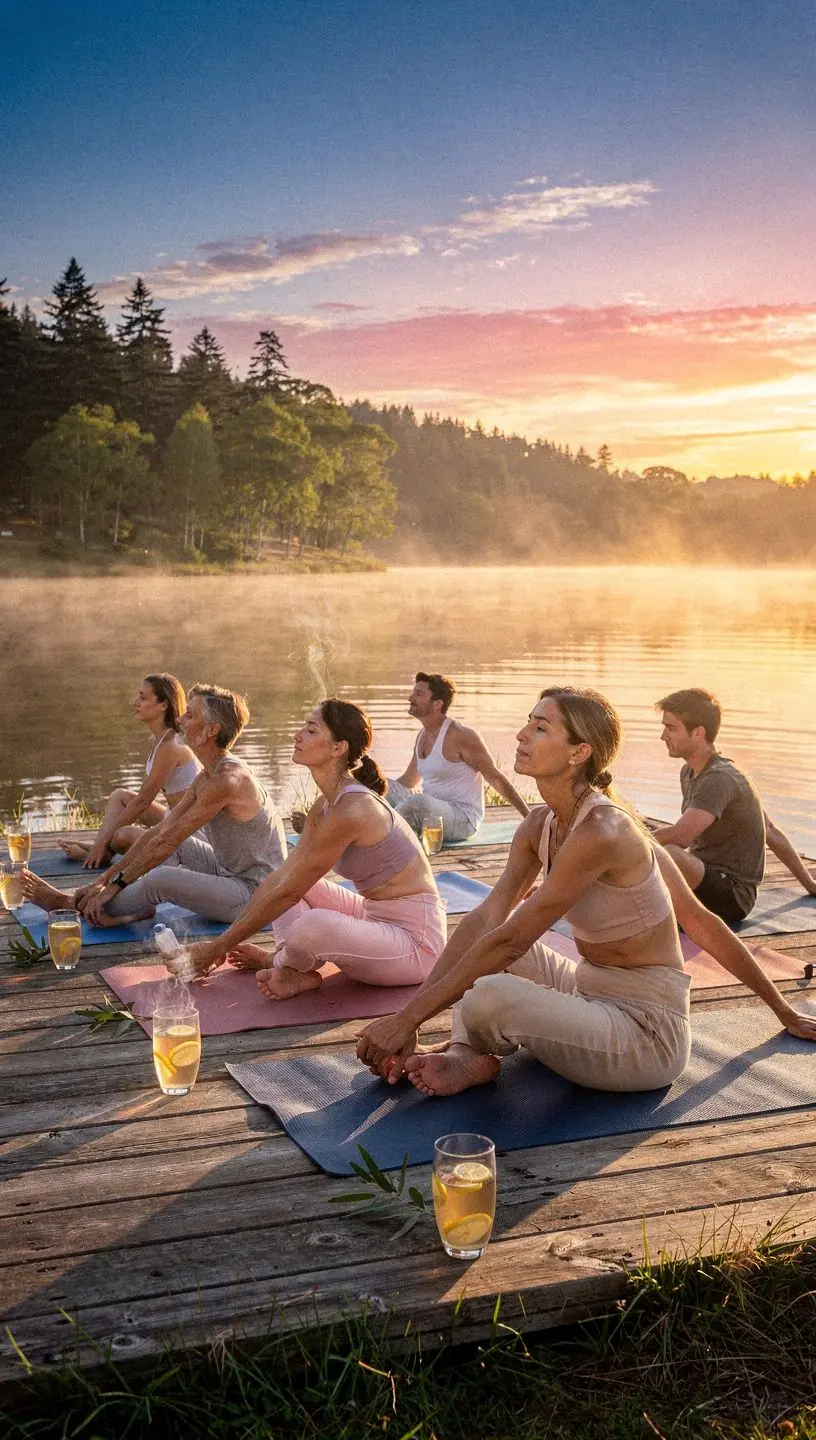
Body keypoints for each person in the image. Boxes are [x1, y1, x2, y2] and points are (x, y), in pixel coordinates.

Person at [356, 685, 816, 1097]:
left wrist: (784, 1012)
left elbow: (701, 923)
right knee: (483, 947)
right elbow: (485, 920)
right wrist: (407, 1020)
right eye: (527, 723)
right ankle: (466, 1054)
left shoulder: (606, 829)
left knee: (492, 991)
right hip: (587, 989)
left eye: (540, 728)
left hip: (645, 1033)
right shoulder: (540, 824)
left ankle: (469, 1048)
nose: (521, 735)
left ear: (579, 752)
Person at [166, 698, 447, 1000]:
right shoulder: (326, 803)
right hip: (373, 917)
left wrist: (215, 948)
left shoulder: (353, 810)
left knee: (313, 926)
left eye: (311, 730)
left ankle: (278, 961)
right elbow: (282, 879)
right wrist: (219, 945)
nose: (297, 735)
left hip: (415, 944)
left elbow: (289, 892)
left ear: (338, 748)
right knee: (277, 881)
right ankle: (292, 967)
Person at [22, 683, 286, 925]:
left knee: (162, 880)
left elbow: (167, 841)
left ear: (212, 730)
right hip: (228, 869)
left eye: (190, 716)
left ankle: (69, 904)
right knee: (167, 842)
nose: (180, 719)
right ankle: (122, 905)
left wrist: (115, 885)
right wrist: (104, 878)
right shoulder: (208, 774)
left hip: (256, 895)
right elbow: (161, 832)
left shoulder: (227, 781)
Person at [653, 688, 816, 925]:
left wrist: (627, 840)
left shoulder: (721, 778)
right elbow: (769, 829)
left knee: (669, 854)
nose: (663, 736)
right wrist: (810, 883)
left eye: (671, 728)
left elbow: (680, 837)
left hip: (732, 897)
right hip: (703, 880)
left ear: (698, 732)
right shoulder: (689, 772)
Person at [59, 673, 201, 869]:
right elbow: (139, 801)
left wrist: (103, 840)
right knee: (120, 796)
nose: (136, 702)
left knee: (122, 837)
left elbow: (143, 801)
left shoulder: (171, 745)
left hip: (190, 832)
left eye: (143, 698)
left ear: (163, 705)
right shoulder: (157, 741)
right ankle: (99, 849)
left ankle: (98, 850)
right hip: (173, 817)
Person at [384, 671, 530, 842]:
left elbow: (494, 777)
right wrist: (375, 786)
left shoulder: (460, 735)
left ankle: (382, 836)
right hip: (431, 813)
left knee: (419, 803)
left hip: (462, 818)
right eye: (413, 692)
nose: (410, 698)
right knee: (383, 787)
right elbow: (409, 781)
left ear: (437, 703)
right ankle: (381, 829)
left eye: (419, 694)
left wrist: (529, 817)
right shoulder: (422, 735)